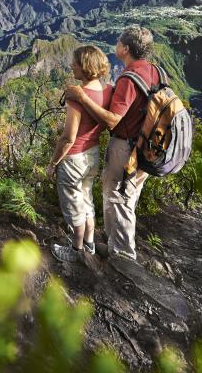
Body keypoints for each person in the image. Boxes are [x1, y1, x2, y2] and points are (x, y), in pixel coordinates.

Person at [64, 26, 158, 261]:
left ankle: (123, 258)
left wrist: (83, 97)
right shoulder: (154, 70)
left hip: (128, 147)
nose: (115, 44)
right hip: (149, 146)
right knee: (128, 199)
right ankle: (118, 247)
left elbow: (112, 120)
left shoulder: (129, 78)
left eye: (118, 41)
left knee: (117, 199)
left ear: (125, 49)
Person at [48, 45, 113, 263]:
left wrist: (54, 162)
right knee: (86, 199)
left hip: (74, 158)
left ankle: (75, 251)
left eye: (75, 62)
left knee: (73, 205)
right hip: (92, 154)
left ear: (84, 67)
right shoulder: (107, 91)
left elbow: (68, 137)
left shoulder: (77, 97)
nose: (71, 66)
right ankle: (90, 244)